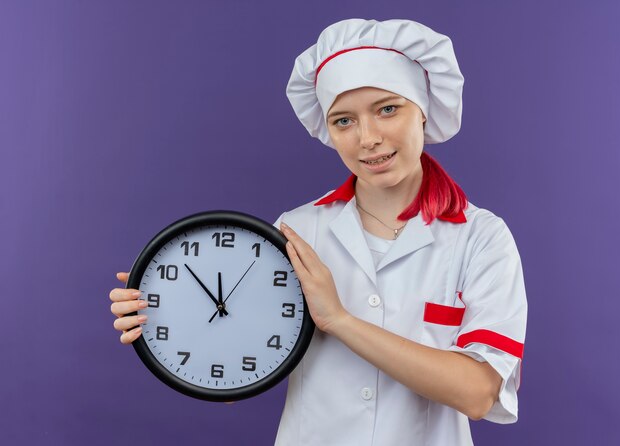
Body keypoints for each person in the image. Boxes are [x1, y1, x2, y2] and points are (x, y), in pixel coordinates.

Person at [110, 18, 527, 446]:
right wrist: (166, 315)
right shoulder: (297, 231)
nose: (368, 138)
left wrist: (339, 321)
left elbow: (478, 393)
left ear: (422, 110)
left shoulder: (481, 237)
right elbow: (238, 375)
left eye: (387, 109)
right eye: (344, 121)